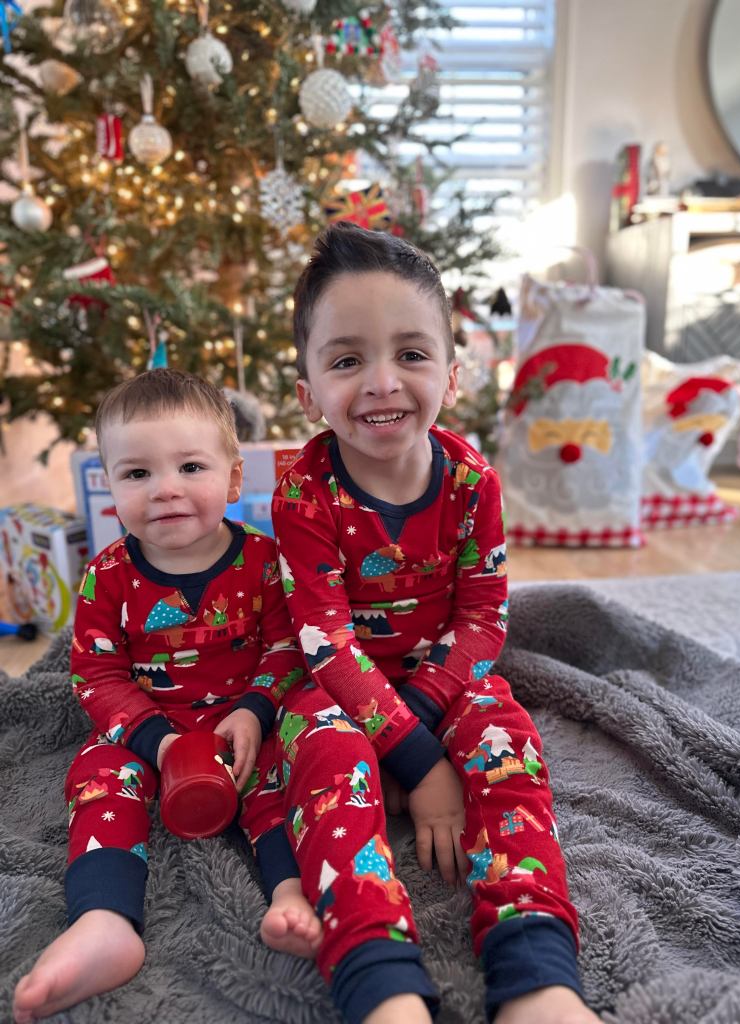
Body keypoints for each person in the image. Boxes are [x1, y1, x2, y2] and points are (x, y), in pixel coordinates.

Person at [271, 222, 603, 1024]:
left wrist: (418, 726)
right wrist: (420, 764)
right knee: (323, 757)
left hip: (443, 680)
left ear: (452, 377)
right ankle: (378, 978)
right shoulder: (304, 495)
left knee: (506, 740)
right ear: (308, 394)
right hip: (333, 684)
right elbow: (324, 643)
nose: (382, 382)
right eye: (346, 361)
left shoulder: (472, 480)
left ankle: (536, 970)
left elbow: (484, 616)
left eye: (411, 354)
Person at [12, 369, 336, 1022]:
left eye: (190, 467)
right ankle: (106, 920)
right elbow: (97, 676)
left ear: (234, 479)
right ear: (109, 486)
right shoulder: (107, 578)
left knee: (284, 773)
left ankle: (289, 892)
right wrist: (155, 741)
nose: (165, 489)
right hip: (149, 726)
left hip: (243, 721)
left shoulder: (263, 563)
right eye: (137, 473)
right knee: (97, 773)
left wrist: (254, 710)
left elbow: (286, 648)